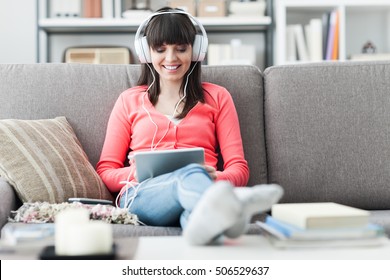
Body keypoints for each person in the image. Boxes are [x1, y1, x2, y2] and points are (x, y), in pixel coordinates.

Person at [97, 7, 283, 245]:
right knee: (184, 177)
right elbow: (106, 170)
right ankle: (232, 207)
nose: (171, 58)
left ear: (196, 50)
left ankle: (215, 219)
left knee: (196, 219)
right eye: (161, 49)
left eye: (181, 48)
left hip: (200, 190)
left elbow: (239, 167)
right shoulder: (129, 100)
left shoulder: (218, 97)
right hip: (142, 196)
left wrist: (215, 179)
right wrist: (140, 173)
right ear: (146, 52)